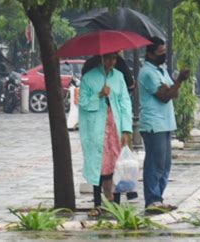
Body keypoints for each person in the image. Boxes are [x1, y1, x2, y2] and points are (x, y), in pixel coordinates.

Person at [138, 37, 190, 213]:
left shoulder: (161, 70)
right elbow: (165, 95)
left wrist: (174, 85)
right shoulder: (147, 73)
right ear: (150, 54)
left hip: (165, 122)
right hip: (154, 123)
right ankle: (152, 199)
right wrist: (179, 81)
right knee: (155, 162)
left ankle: (158, 197)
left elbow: (172, 93)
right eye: (161, 53)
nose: (164, 55)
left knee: (165, 164)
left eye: (165, 51)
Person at [79, 52, 132, 216]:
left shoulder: (119, 77)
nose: (111, 62)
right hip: (97, 128)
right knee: (99, 164)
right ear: (101, 59)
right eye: (108, 58)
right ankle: (97, 203)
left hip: (115, 127)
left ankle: (115, 202)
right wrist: (99, 95)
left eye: (114, 58)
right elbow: (82, 102)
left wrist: (126, 129)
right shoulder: (89, 78)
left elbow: (125, 103)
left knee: (116, 164)